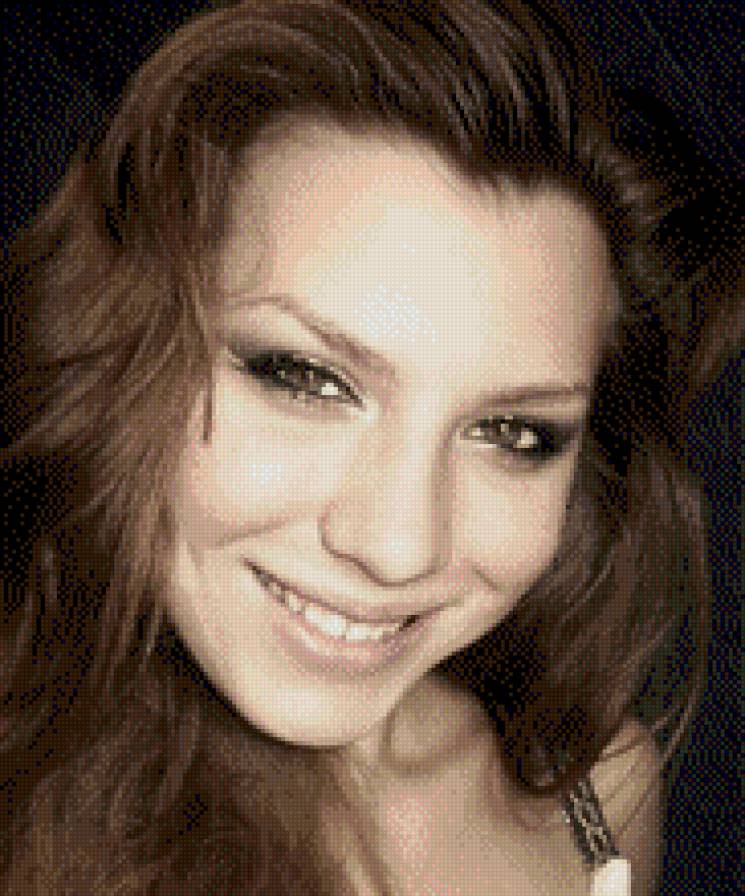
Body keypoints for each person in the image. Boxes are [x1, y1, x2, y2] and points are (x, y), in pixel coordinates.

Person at [0, 2, 731, 894]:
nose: (396, 547)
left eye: (511, 433)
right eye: (306, 379)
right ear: (117, 344)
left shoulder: (595, 792)